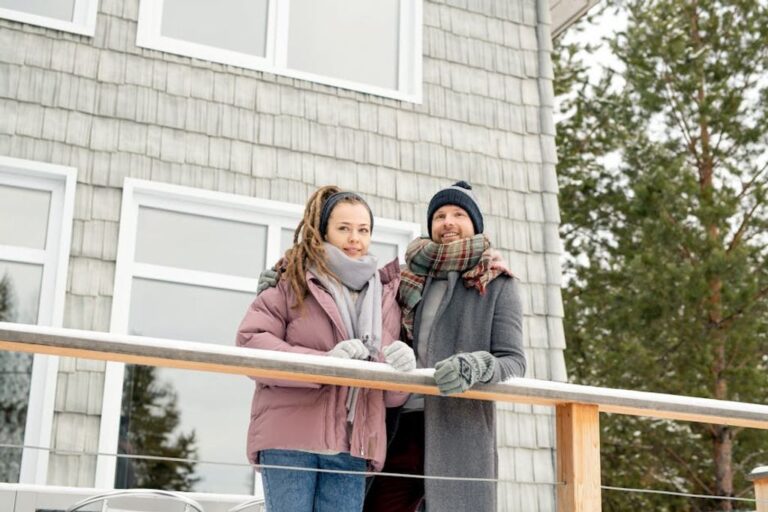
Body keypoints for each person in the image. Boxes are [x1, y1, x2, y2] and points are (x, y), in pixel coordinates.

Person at [236, 185, 417, 512]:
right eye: (344, 228)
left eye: (363, 230)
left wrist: (402, 373)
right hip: (290, 438)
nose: (354, 238)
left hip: (352, 446)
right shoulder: (292, 279)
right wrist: (324, 364)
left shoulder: (386, 297)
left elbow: (390, 397)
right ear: (324, 232)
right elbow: (252, 343)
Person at [364, 180, 527, 512]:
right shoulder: (404, 277)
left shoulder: (497, 283)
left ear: (475, 224)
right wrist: (281, 279)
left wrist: (476, 365)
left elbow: (513, 361)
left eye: (458, 214)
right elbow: (348, 284)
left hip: (460, 431)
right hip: (398, 426)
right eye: (439, 216)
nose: (447, 222)